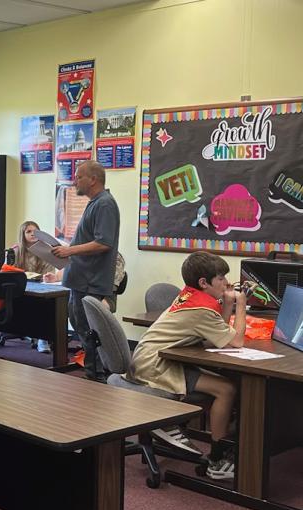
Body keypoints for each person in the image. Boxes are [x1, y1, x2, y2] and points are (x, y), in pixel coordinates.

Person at [126, 251, 244, 480]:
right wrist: (241, 305)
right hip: (156, 364)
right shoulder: (200, 309)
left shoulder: (190, 297)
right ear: (204, 282)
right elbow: (236, 341)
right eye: (221, 278)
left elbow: (217, 336)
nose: (227, 283)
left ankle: (220, 447)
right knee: (227, 389)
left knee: (225, 385)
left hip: (150, 356)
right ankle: (217, 460)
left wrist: (227, 302)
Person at [52, 160, 120, 382]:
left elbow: (104, 243)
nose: (74, 181)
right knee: (84, 331)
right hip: (81, 279)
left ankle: (97, 379)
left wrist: (69, 251)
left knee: (91, 334)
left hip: (91, 282)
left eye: (79, 176)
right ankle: (94, 376)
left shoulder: (104, 204)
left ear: (93, 179)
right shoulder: (95, 203)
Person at [13, 221, 58, 353]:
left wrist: (48, 278)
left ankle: (43, 339)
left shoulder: (46, 251)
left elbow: (50, 274)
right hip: (19, 289)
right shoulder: (14, 251)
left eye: (35, 231)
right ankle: (35, 334)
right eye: (28, 231)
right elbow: (7, 272)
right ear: (22, 234)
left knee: (48, 303)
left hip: (39, 288)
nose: (33, 234)